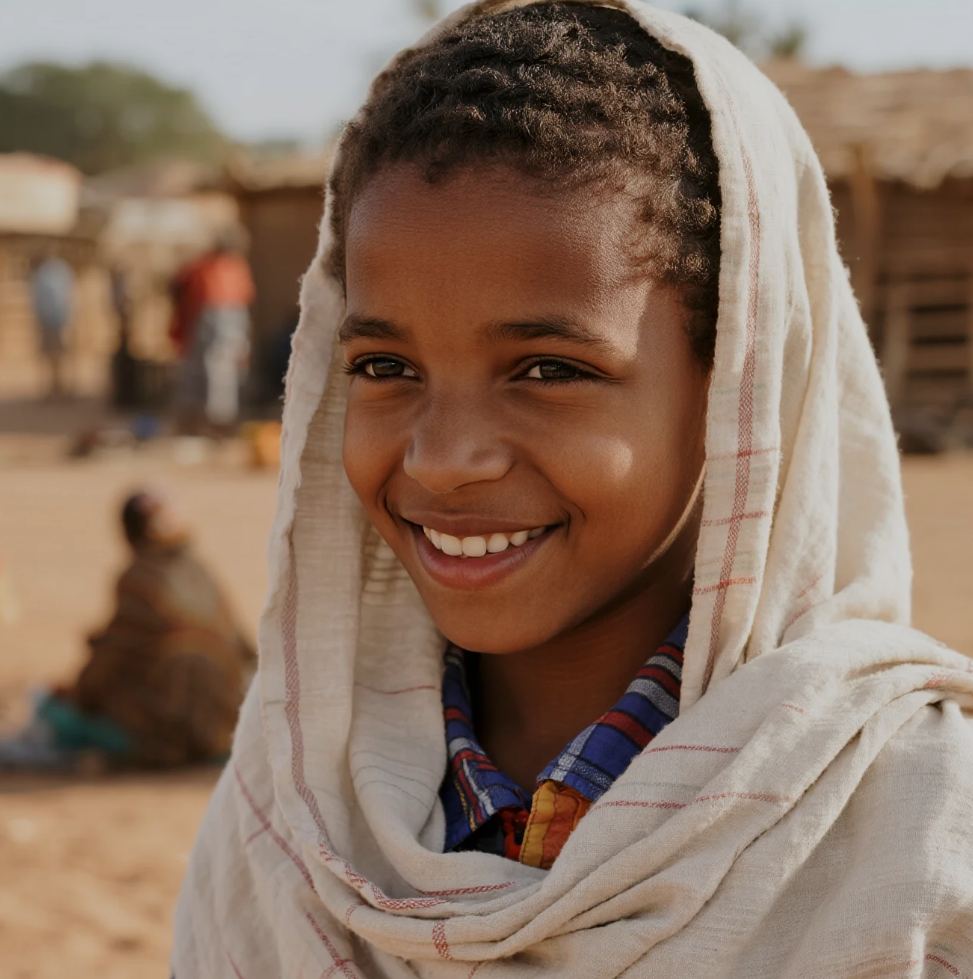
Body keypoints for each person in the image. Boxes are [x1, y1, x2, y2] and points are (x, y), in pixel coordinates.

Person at [173, 4, 973, 977]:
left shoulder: (913, 833)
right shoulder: (292, 807)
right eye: (386, 367)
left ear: (740, 389)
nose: (442, 459)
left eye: (548, 370)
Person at [0, 490, 255, 771]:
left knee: (49, 708)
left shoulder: (138, 580)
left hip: (163, 734)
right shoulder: (201, 574)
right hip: (220, 733)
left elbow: (109, 663)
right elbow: (246, 650)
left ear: (129, 533)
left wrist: (73, 695)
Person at [169, 228, 255, 434]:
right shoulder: (210, 267)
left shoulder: (224, 268)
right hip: (213, 316)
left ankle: (217, 421)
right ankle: (204, 420)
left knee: (217, 367)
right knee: (209, 367)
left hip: (219, 316)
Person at [29, 252, 74, 397]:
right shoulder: (60, 270)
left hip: (52, 320)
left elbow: (41, 301)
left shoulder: (43, 275)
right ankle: (58, 386)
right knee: (57, 355)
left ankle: (57, 386)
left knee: (53, 355)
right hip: (59, 319)